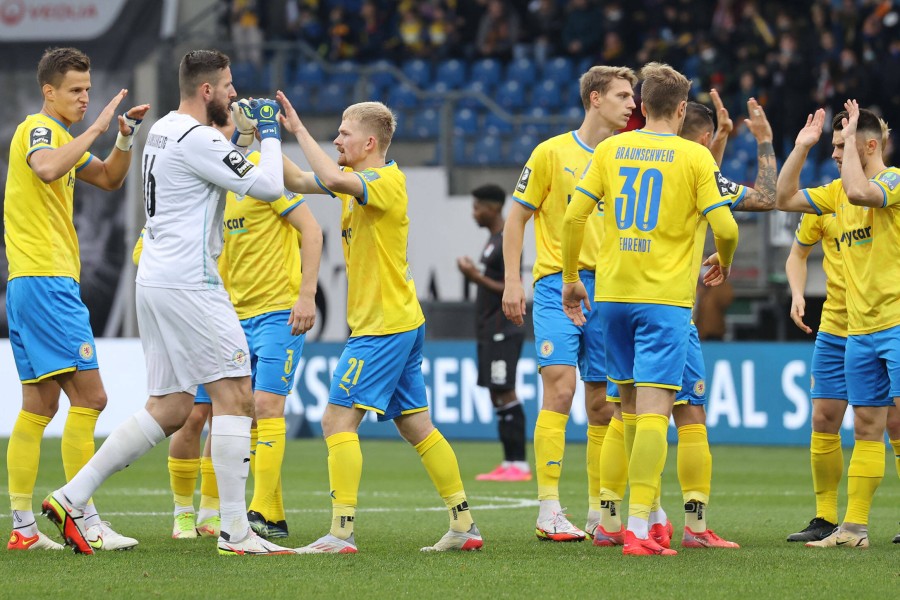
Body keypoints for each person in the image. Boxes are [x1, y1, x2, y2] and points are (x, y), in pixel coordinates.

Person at [42, 49, 296, 556]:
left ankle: (73, 496)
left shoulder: (163, 129)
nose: (233, 94)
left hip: (154, 278)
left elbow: (219, 159)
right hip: (190, 280)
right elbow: (267, 184)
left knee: (173, 405)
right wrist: (268, 131)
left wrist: (242, 136)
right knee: (236, 393)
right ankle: (234, 530)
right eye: (227, 86)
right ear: (207, 91)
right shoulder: (199, 138)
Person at [276, 91, 483, 554]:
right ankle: (464, 525)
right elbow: (297, 178)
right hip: (400, 319)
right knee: (416, 426)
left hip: (382, 326)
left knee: (335, 420)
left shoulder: (384, 182)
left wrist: (297, 130)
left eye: (344, 133)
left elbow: (326, 174)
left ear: (370, 142)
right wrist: (259, 142)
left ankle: (341, 532)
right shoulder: (354, 178)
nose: (337, 139)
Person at [561, 62, 739, 556]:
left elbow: (575, 215)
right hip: (664, 302)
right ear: (683, 109)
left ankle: (614, 519)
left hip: (613, 297)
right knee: (664, 413)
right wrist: (722, 263)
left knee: (626, 410)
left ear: (640, 105)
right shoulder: (694, 157)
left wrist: (573, 279)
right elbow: (726, 229)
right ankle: (642, 527)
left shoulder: (610, 149)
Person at [4, 46, 149, 552]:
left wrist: (125, 139)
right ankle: (81, 515)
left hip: (29, 284)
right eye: (75, 91)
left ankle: (23, 528)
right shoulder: (41, 131)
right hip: (47, 281)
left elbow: (109, 177)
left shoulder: (64, 138)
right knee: (93, 398)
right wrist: (97, 127)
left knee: (38, 406)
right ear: (49, 92)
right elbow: (45, 168)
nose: (85, 98)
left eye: (88, 90)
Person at [502, 65, 637, 542]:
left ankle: (602, 513)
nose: (632, 105)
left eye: (635, 96)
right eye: (623, 95)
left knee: (603, 405)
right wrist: (512, 281)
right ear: (595, 98)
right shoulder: (551, 153)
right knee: (560, 390)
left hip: (611, 290)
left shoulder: (628, 156)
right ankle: (549, 509)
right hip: (555, 286)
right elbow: (515, 217)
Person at [776, 101, 899, 548]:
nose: (835, 153)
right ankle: (851, 527)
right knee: (862, 425)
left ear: (870, 145)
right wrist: (802, 147)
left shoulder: (893, 181)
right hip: (856, 330)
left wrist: (847, 145)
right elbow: (784, 198)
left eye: (842, 145)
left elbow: (861, 193)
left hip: (895, 322)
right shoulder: (830, 196)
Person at [456, 184, 529, 482]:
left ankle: (519, 464)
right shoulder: (491, 242)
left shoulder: (506, 241)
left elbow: (512, 287)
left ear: (494, 208)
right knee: (497, 394)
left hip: (503, 329)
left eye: (477, 207)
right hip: (489, 330)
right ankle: (508, 461)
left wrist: (475, 277)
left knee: (505, 389)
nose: (474, 213)